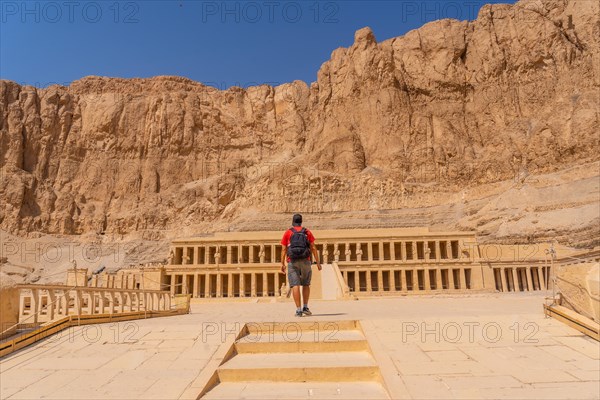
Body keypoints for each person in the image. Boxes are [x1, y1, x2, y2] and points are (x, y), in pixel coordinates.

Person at [280, 214, 321, 317]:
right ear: (301, 222)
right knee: (306, 284)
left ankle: (298, 310)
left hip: (292, 261)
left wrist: (282, 264)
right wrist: (318, 263)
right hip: (306, 260)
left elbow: (284, 249)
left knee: (295, 285)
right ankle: (305, 307)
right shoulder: (307, 232)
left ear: (293, 222)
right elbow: (313, 248)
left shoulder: (288, 232)